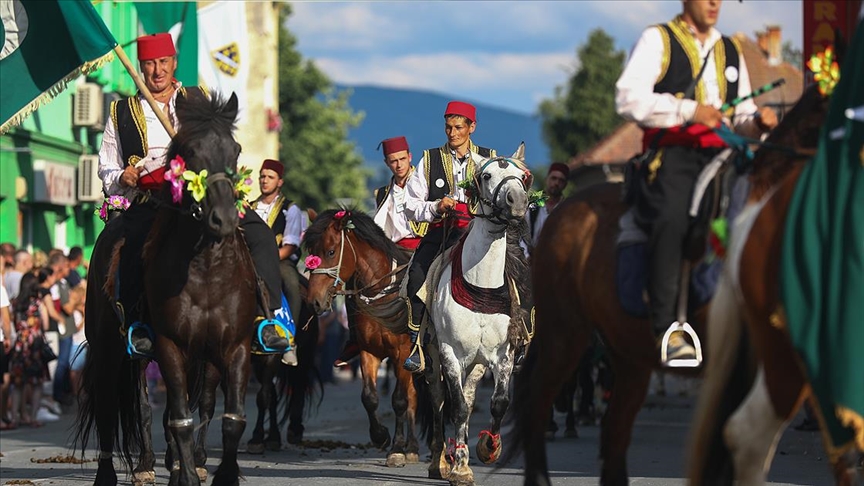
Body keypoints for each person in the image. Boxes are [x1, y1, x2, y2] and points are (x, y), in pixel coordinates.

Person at [97, 32, 288, 358]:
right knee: (128, 246)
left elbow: (223, 145)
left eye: (163, 63)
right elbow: (106, 169)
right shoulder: (121, 112)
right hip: (153, 199)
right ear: (141, 67)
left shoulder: (200, 99)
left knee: (260, 235)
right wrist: (123, 176)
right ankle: (137, 324)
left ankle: (265, 318)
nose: (157, 71)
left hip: (204, 194)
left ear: (173, 63)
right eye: (149, 64)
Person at [615, 0, 777, 362]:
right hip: (673, 154)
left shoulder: (730, 49)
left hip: (726, 155)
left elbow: (742, 116)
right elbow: (628, 99)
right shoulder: (658, 39)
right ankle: (668, 327)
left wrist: (758, 123)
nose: (715, 3)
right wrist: (689, 110)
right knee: (672, 217)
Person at [401, 101, 497, 374]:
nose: (452, 133)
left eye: (458, 127)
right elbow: (410, 204)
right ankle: (417, 344)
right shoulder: (429, 159)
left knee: (515, 271)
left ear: (472, 127)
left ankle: (517, 337)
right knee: (416, 277)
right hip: (442, 232)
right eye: (448, 127)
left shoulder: (488, 158)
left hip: (479, 233)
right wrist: (435, 207)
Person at [333, 136, 428, 367]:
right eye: (393, 161)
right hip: (391, 249)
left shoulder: (424, 183)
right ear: (387, 163)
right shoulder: (382, 192)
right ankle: (356, 338)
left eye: (402, 159)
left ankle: (427, 336)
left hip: (423, 246)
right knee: (356, 279)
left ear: (410, 157)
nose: (399, 165)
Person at [249, 158, 307, 364]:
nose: (264, 180)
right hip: (250, 261)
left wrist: (266, 260)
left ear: (279, 182)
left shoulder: (290, 209)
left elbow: (290, 245)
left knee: (291, 283)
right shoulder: (249, 207)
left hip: (280, 261)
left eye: (270, 177)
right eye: (262, 176)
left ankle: (290, 341)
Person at [8, 272, 51, 428]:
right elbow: (45, 325)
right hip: (35, 347)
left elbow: (13, 323)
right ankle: (32, 417)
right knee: (37, 384)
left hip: (20, 346)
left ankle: (14, 418)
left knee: (18, 383)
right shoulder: (38, 304)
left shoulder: (15, 304)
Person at [526, 162, 569, 248]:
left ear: (565, 185)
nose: (556, 183)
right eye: (554, 178)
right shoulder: (531, 202)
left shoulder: (568, 209)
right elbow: (521, 233)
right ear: (546, 179)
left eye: (561, 180)